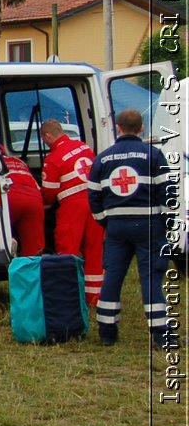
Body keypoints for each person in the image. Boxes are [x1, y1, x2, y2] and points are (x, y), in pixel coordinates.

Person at [89, 108, 176, 349]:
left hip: (116, 227)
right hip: (149, 227)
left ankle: (107, 333)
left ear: (118, 129)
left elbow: (93, 195)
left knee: (113, 278)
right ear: (141, 129)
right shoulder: (154, 155)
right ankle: (161, 337)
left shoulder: (103, 158)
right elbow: (168, 194)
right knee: (151, 279)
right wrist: (167, 224)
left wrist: (104, 221)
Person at [40, 120, 104, 308]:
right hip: (94, 204)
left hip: (72, 208)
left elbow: (49, 194)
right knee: (94, 251)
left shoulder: (52, 159)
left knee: (67, 252)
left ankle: (69, 297)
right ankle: (94, 298)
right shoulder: (84, 147)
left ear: (47, 136)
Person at [0, 146, 45, 258]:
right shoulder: (19, 161)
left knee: (1, 229)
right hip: (34, 198)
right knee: (34, 245)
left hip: (10, 196)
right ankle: (33, 270)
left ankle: (10, 240)